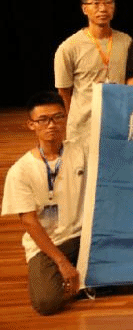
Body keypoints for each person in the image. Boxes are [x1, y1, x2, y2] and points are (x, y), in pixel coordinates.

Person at [2, 91, 87, 315]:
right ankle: (74, 275)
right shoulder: (20, 171)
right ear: (31, 124)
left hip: (83, 236)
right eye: (43, 120)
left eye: (58, 117)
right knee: (46, 303)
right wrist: (61, 262)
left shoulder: (81, 152)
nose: (52, 125)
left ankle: (81, 278)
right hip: (50, 244)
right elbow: (30, 223)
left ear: (66, 117)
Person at [54, 0, 132, 145]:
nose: (102, 8)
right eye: (96, 3)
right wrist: (70, 123)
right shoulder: (69, 47)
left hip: (119, 123)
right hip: (83, 127)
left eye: (108, 2)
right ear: (85, 9)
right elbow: (64, 91)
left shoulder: (126, 41)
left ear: (114, 7)